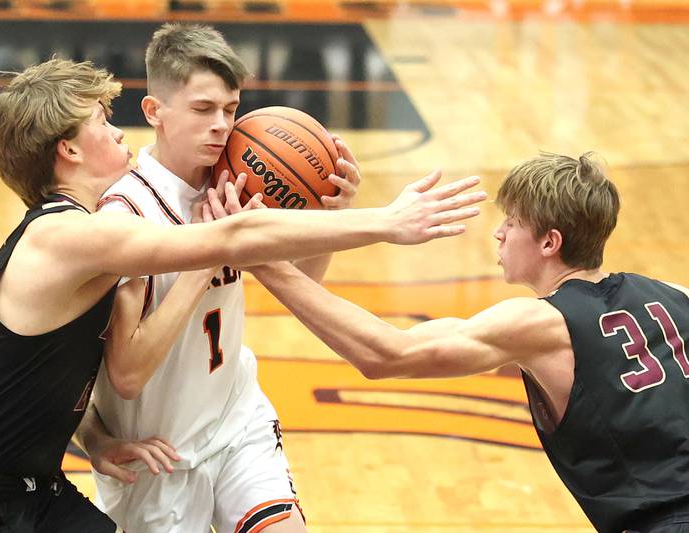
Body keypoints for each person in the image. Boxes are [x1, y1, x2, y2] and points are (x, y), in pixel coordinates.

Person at [0, 57, 485, 533]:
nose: (116, 127)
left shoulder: (84, 231)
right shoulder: (68, 236)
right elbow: (233, 236)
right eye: (101, 119)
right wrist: (388, 222)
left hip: (35, 489)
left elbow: (40, 376)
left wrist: (93, 436)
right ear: (68, 149)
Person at [244, 152, 689, 533]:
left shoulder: (542, 322)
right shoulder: (675, 296)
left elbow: (386, 354)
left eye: (513, 223)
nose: (499, 233)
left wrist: (258, 256)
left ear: (550, 242)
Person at [74, 23, 370, 533]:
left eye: (230, 110)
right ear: (154, 112)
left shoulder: (240, 182)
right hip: (159, 457)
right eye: (202, 109)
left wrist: (327, 222)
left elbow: (304, 283)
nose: (221, 125)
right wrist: (210, 251)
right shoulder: (125, 215)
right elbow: (125, 376)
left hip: (237, 421)